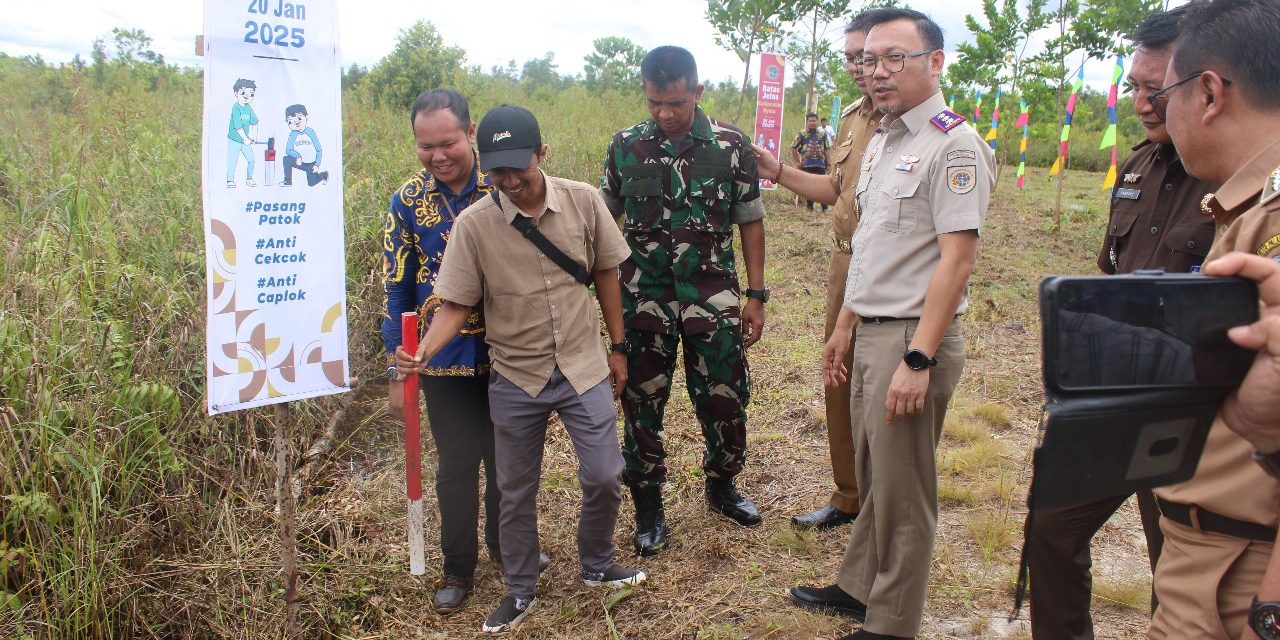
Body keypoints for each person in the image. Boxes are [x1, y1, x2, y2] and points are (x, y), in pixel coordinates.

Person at [779, 10, 994, 639]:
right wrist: (845, 322)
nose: (878, 72)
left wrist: (919, 359)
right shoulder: (884, 140)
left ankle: (893, 622)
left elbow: (956, 260)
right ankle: (857, 586)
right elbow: (872, 243)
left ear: (935, 61)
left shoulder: (954, 145)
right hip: (871, 327)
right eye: (870, 60)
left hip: (909, 335)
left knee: (904, 492)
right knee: (876, 474)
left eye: (894, 58)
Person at [400, 104, 646, 635]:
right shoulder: (474, 225)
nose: (509, 181)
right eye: (497, 171)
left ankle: (598, 563)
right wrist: (422, 352)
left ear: (542, 154)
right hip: (516, 375)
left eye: (519, 168)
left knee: (605, 474)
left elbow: (606, 272)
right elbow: (456, 305)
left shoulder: (583, 201)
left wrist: (618, 347)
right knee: (515, 490)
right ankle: (519, 589)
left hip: (582, 366)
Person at [1023, 7, 1216, 639]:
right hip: (1121, 395)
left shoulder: (1236, 182)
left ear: (1203, 85)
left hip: (1200, 411)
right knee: (1052, 522)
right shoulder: (1134, 168)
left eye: (1156, 90)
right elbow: (1108, 273)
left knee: (1179, 562)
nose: (1142, 103)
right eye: (1134, 87)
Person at [600, 45, 768, 555]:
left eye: (674, 102)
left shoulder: (731, 145)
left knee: (725, 392)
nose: (665, 113)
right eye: (655, 102)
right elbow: (603, 225)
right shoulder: (625, 145)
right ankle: (648, 506)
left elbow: (750, 220)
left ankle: (722, 484)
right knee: (641, 402)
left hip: (712, 295)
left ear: (697, 91)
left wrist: (756, 295)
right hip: (642, 298)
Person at [1147, 0, 1280, 636]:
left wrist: (1272, 606)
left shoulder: (1273, 219)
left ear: (1207, 93)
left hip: (1241, 573)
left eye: (1163, 91)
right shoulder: (1246, 207)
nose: (1154, 111)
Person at [754, 8, 898, 533]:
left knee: (883, 382)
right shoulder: (853, 119)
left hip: (892, 267)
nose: (861, 68)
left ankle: (884, 498)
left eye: (870, 57)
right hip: (846, 259)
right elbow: (836, 190)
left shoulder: (908, 124)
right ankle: (848, 495)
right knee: (838, 377)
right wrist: (778, 171)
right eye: (853, 59)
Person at [383, 88, 505, 616]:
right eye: (425, 145)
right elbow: (396, 287)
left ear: (471, 133)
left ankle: (509, 549)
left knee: (509, 461)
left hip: (508, 352)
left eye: (448, 142)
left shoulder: (504, 184)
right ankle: (458, 568)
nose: (438, 155)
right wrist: (397, 366)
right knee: (457, 464)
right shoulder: (406, 202)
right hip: (441, 357)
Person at [281, 104, 329, 187]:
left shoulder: (310, 132)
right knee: (286, 159)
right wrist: (298, 156)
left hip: (311, 164)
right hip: (300, 162)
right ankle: (288, 181)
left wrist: (317, 165)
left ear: (306, 117)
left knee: (311, 183)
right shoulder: (293, 135)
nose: (295, 122)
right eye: (290, 121)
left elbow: (319, 149)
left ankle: (324, 175)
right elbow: (288, 150)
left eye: (299, 118)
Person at [792, 112, 831, 211]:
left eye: (814, 121)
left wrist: (829, 164)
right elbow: (793, 147)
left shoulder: (823, 133)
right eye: (810, 121)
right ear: (807, 121)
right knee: (808, 186)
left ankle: (824, 207)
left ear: (817, 121)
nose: (812, 123)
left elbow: (827, 149)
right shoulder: (802, 134)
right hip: (807, 165)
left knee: (823, 187)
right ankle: (809, 207)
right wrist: (798, 162)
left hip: (820, 164)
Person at [226, 78, 258, 188]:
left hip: (246, 141)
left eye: (251, 94)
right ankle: (229, 180)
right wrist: (245, 139)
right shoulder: (236, 107)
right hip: (234, 139)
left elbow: (254, 122)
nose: (246, 96)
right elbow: (238, 126)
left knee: (251, 160)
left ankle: (249, 179)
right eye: (243, 93)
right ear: (236, 93)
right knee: (232, 161)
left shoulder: (249, 108)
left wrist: (253, 136)